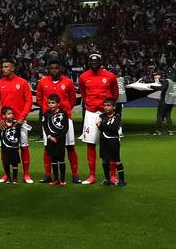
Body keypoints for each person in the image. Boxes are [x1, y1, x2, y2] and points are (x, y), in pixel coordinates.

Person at [36, 59, 79, 182]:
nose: (54, 70)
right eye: (51, 68)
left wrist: (64, 112)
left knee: (70, 146)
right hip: (48, 118)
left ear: (60, 69)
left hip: (65, 118)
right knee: (47, 147)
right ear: (48, 70)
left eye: (56, 68)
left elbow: (73, 100)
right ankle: (48, 175)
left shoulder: (68, 82)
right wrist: (47, 111)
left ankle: (75, 176)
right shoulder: (42, 82)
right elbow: (39, 99)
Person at [78, 53, 118, 184]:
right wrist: (91, 104)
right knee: (91, 144)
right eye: (92, 62)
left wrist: (108, 108)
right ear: (88, 63)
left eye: (97, 61)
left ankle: (112, 175)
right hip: (91, 114)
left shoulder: (110, 76)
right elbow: (84, 93)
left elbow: (115, 94)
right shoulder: (83, 76)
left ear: (101, 62)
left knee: (111, 144)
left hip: (107, 114)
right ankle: (92, 176)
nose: (94, 64)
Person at [0, 58, 34, 183]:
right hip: (5, 123)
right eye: (2, 66)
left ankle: (26, 174)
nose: (3, 69)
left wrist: (22, 117)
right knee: (4, 148)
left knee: (24, 147)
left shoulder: (22, 82)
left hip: (19, 122)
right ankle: (6, 175)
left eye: (6, 67)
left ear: (12, 68)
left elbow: (29, 101)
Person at [42, 94, 69, 187]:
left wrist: (58, 138)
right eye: (49, 103)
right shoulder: (46, 114)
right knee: (53, 159)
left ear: (58, 104)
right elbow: (45, 126)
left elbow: (66, 128)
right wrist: (49, 136)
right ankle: (55, 179)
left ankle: (62, 179)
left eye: (53, 103)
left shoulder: (64, 113)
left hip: (60, 139)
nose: (50, 105)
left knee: (61, 159)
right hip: (50, 139)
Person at [97, 99, 125, 187]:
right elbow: (101, 128)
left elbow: (114, 128)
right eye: (105, 105)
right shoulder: (101, 116)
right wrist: (103, 126)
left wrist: (102, 125)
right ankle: (107, 179)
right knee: (104, 160)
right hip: (103, 140)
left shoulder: (117, 116)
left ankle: (122, 180)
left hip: (113, 140)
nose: (106, 107)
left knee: (116, 160)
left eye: (108, 105)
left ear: (114, 107)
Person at [149, 69, 176, 136]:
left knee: (159, 115)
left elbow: (162, 88)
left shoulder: (167, 81)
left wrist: (152, 87)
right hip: (172, 100)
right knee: (168, 115)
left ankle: (158, 131)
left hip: (165, 100)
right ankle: (170, 130)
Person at [0, 107, 21, 184]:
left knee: (15, 163)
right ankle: (8, 177)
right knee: (6, 163)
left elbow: (18, 135)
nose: (11, 115)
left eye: (12, 114)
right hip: (6, 148)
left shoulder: (16, 124)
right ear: (4, 116)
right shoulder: (2, 125)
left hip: (14, 147)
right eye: (9, 114)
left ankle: (15, 178)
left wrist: (16, 143)